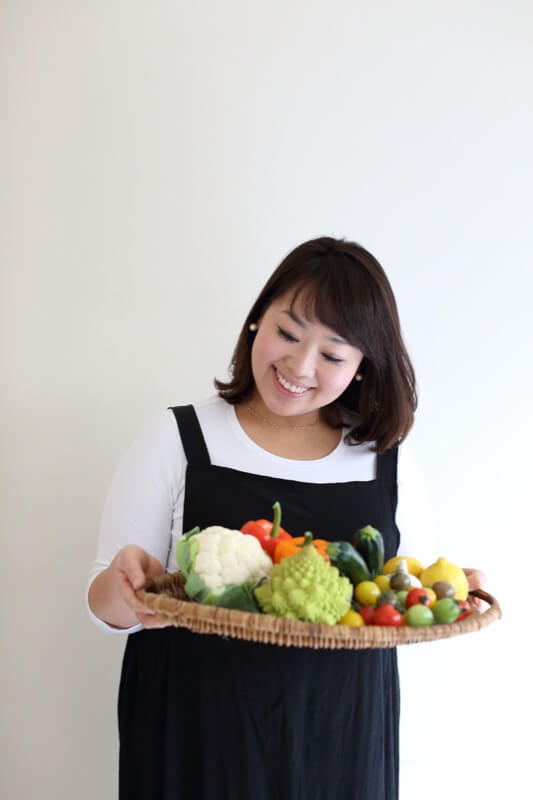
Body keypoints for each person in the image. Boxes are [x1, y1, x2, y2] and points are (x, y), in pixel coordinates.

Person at [87, 236, 484, 800]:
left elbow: (407, 593)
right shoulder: (178, 438)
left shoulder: (386, 461)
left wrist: (455, 588)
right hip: (196, 737)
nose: (299, 366)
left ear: (362, 366)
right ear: (257, 321)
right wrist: (123, 587)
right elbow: (103, 605)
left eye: (333, 355)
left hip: (342, 743)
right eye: (288, 334)